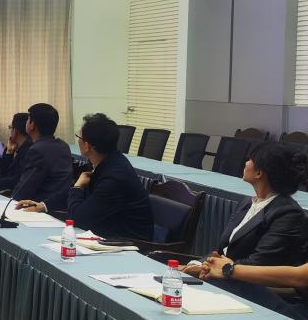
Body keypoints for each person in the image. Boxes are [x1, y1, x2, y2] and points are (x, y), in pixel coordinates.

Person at [182, 142, 308, 276]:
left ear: (259, 173)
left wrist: (219, 268)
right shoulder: (247, 203)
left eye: (250, 159)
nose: (246, 163)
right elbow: (222, 251)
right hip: (224, 276)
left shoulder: (288, 214)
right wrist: (197, 265)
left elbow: (260, 263)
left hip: (251, 284)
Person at [57, 113, 154, 240]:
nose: (78, 140)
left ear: (87, 146)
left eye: (79, 137)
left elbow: (79, 219)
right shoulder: (106, 161)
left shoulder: (115, 176)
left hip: (128, 244)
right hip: (107, 233)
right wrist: (43, 205)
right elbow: (76, 198)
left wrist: (78, 187)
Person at [9, 103, 74, 213]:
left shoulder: (37, 150)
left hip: (38, 208)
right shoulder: (63, 145)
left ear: (32, 125)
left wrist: (9, 204)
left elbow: (25, 187)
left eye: (28, 119)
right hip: (60, 207)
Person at [0, 112, 31, 190]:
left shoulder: (28, 151)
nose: (10, 130)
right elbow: (4, 174)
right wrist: (9, 153)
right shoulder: (22, 148)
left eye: (10, 127)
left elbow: (19, 180)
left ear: (15, 131)